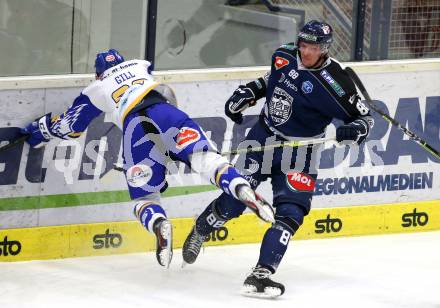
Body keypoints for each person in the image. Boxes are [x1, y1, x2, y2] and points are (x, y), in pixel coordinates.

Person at [20, 49, 275, 268]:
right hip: (167, 113)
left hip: (135, 128)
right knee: (206, 160)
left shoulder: (97, 87)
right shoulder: (141, 66)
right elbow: (167, 92)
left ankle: (159, 224)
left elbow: (71, 126)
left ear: (98, 74)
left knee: (144, 197)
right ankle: (240, 187)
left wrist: (39, 130)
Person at [181, 20, 374, 298]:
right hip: (263, 139)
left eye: (313, 47)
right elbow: (270, 79)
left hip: (302, 153)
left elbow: (365, 118)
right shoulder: (284, 54)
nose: (305, 51)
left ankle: (262, 273)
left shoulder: (337, 84)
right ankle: (201, 229)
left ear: (325, 48)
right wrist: (249, 92)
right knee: (236, 199)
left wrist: (355, 129)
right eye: (303, 44)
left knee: (292, 213)